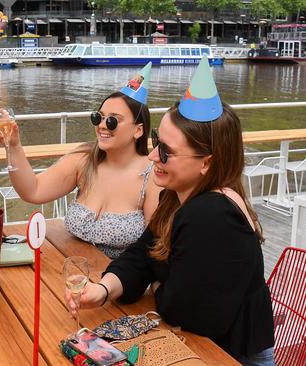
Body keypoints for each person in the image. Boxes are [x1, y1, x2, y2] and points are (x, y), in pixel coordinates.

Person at [66, 57, 275, 365]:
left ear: (206, 162)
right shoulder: (177, 197)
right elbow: (143, 254)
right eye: (155, 142)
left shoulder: (212, 213)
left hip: (229, 354)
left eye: (165, 150)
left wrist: (161, 287)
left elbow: (183, 310)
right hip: (199, 345)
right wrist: (104, 288)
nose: (152, 156)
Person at [1, 63, 161, 258]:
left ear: (138, 130)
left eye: (112, 121)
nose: (102, 125)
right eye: (98, 118)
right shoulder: (85, 160)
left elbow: (155, 247)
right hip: (71, 269)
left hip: (119, 281)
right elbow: (33, 190)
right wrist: (14, 146)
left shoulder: (152, 175)